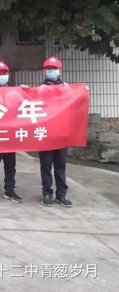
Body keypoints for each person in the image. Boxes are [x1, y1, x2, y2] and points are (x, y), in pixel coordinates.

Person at [38, 57, 88, 208]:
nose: (52, 71)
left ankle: (61, 193)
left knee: (60, 165)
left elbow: (76, 105)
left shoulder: (67, 88)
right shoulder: (40, 89)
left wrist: (83, 92)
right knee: (46, 165)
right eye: (49, 68)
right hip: (46, 133)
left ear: (60, 70)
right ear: (44, 71)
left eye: (54, 68)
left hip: (62, 133)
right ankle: (47, 192)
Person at [0, 61, 25, 204]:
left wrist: (26, 91)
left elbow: (24, 107)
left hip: (10, 134)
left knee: (10, 164)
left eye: (4, 73)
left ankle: (10, 189)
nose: (2, 76)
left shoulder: (15, 93)